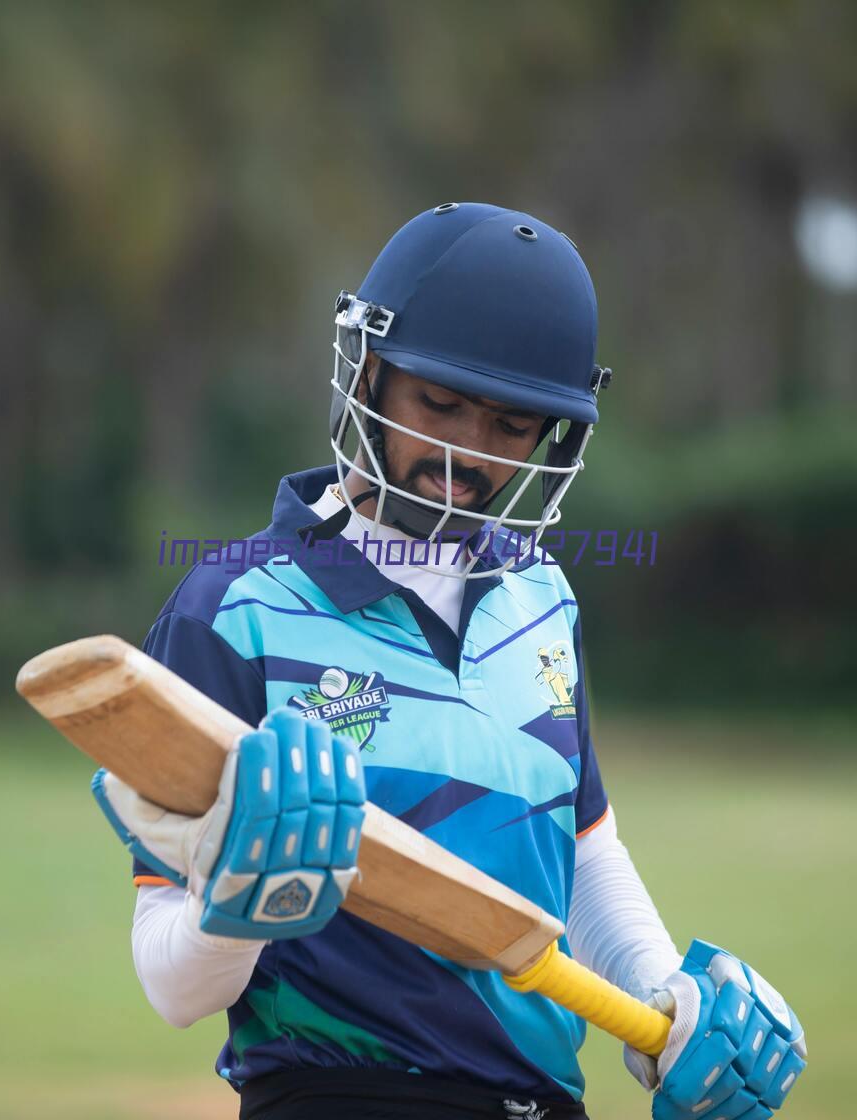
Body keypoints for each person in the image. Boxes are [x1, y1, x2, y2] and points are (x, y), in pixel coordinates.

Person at [91, 202, 808, 1119]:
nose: (464, 454)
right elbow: (171, 986)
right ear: (371, 374)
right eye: (439, 404)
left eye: (512, 427)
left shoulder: (541, 594)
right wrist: (236, 915)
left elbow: (582, 848)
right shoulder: (230, 610)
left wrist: (668, 1004)